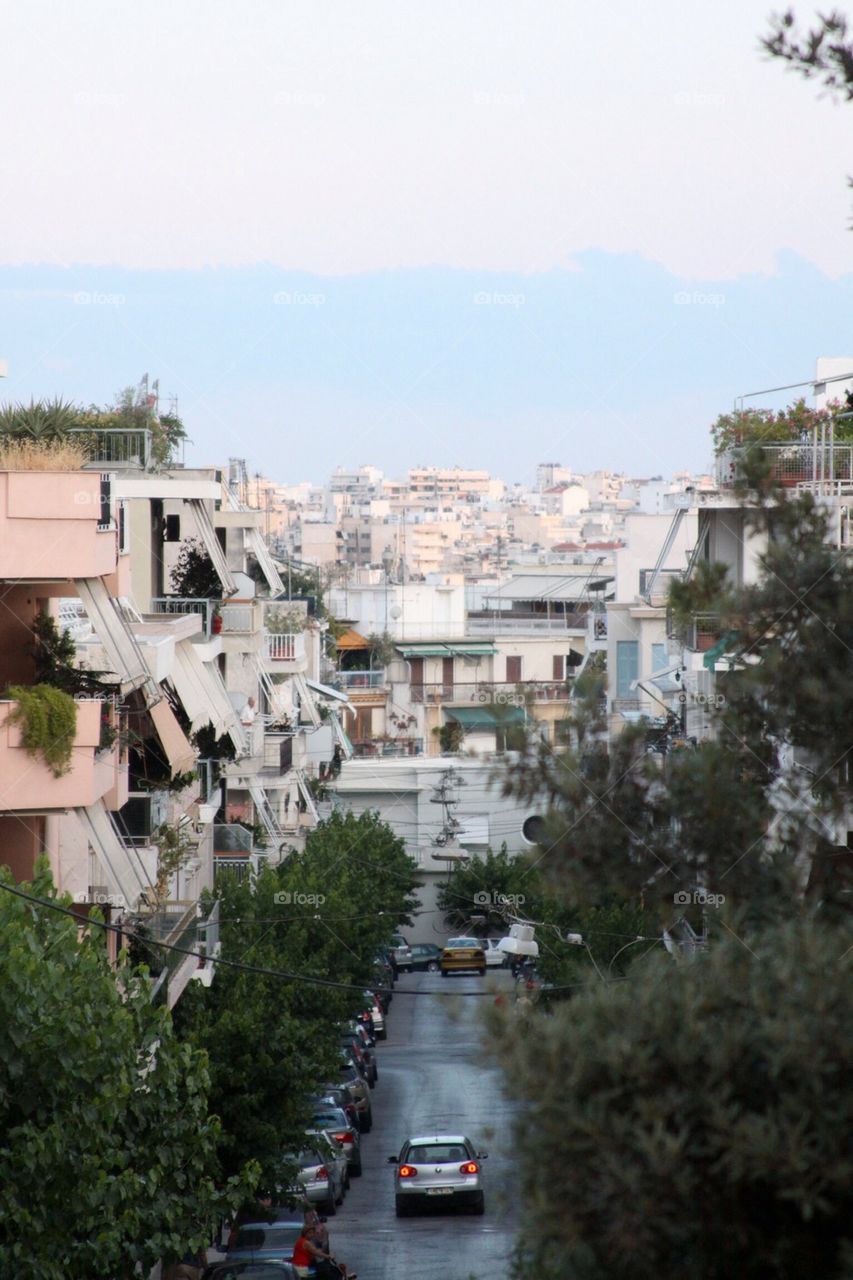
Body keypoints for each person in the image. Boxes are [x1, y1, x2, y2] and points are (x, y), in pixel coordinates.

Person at [291, 1219, 356, 1280]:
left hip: (302, 1264)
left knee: (325, 1264)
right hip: (301, 1266)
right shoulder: (305, 1242)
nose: (312, 1235)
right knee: (323, 1267)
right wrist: (328, 1256)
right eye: (309, 1233)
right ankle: (339, 1277)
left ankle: (341, 1275)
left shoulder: (302, 1241)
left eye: (312, 1233)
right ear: (305, 1233)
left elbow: (313, 1252)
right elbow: (316, 1252)